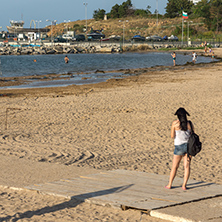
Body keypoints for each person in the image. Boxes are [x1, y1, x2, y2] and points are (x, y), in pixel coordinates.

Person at [165, 107, 194, 190]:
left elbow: (172, 136)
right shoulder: (190, 124)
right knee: (187, 166)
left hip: (179, 146)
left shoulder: (175, 123)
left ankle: (169, 184)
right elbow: (192, 134)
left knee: (175, 166)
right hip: (188, 146)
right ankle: (184, 185)